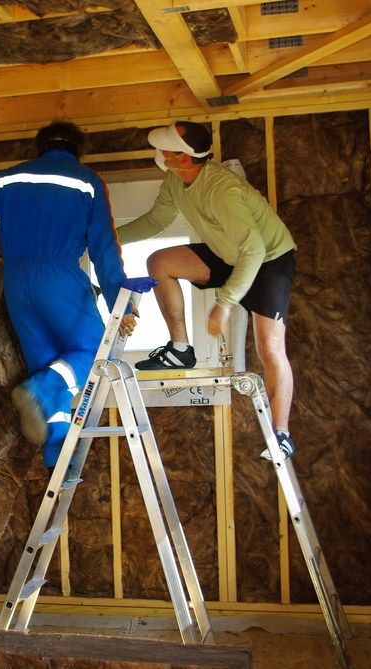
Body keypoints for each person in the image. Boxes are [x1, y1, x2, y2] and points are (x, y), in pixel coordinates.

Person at [0, 121, 135, 480]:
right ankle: (40, 390)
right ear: (76, 150)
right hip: (59, 276)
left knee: (48, 363)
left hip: (16, 282)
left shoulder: (8, 179)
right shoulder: (86, 181)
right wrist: (121, 305)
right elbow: (104, 251)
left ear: (41, 147)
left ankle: (57, 461)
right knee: (101, 351)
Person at [115, 121, 298, 460]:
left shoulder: (221, 189)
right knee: (161, 263)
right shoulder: (175, 180)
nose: (161, 155)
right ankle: (181, 348)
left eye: (166, 151)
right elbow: (156, 221)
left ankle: (281, 434)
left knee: (269, 349)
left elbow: (254, 249)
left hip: (268, 259)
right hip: (228, 251)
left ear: (184, 158)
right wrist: (109, 239)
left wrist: (225, 303)